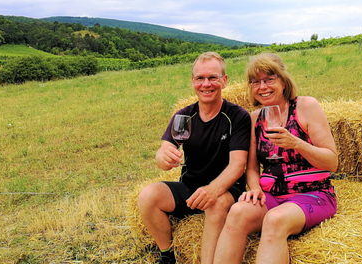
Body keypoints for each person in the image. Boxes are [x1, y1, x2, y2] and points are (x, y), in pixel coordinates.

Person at [213, 53, 338, 264]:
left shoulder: (306, 107)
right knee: (236, 213)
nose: (262, 87)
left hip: (313, 193)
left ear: (283, 80)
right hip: (271, 195)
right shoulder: (254, 119)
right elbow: (252, 167)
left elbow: (332, 162)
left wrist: (296, 143)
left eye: (269, 79)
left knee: (275, 219)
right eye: (255, 82)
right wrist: (254, 189)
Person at [138, 52, 251, 264]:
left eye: (212, 78)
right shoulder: (183, 116)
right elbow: (163, 154)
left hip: (226, 189)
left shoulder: (237, 116)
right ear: (192, 82)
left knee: (215, 205)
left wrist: (213, 190)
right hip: (190, 187)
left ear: (224, 81)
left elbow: (238, 165)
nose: (206, 84)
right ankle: (167, 255)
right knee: (147, 196)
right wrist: (163, 157)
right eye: (200, 78)